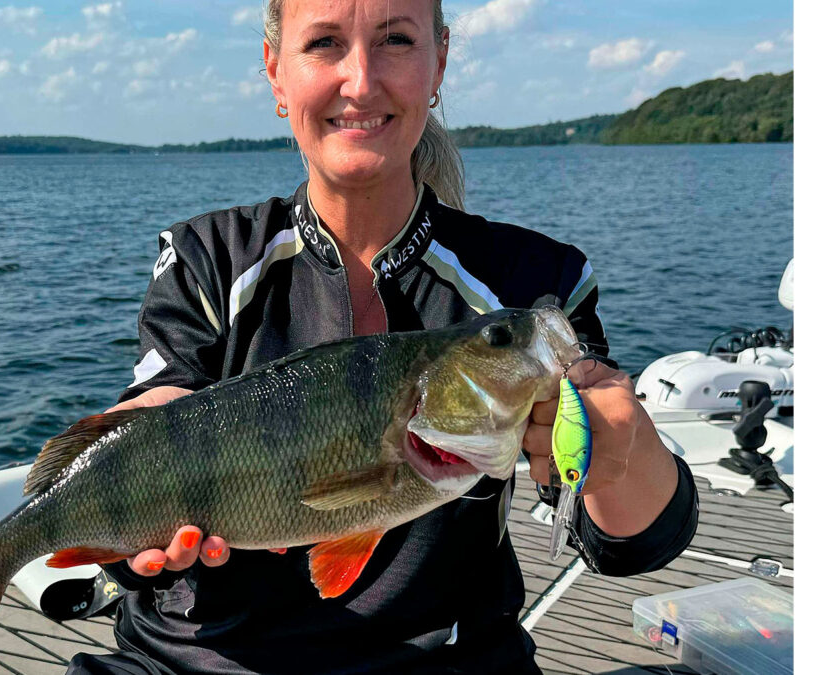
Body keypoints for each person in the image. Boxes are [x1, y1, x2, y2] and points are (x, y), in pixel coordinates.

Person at [66, 1, 698, 673]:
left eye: (395, 40)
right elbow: (163, 403)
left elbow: (630, 542)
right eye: (325, 44)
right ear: (276, 74)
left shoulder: (531, 286)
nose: (361, 81)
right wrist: (130, 455)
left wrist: (622, 453)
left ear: (439, 63)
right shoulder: (205, 258)